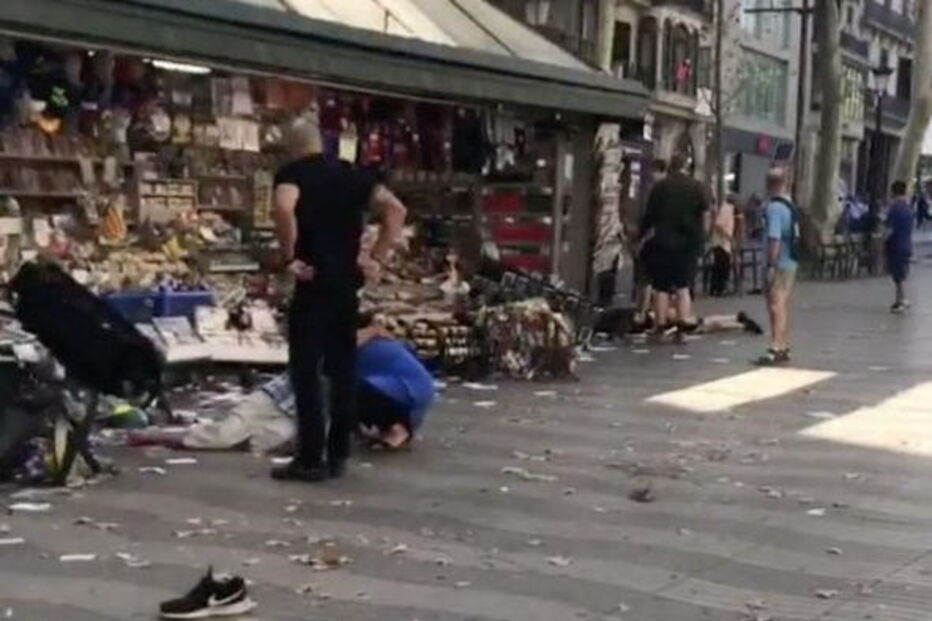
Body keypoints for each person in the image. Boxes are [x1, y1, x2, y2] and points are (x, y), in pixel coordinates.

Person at [272, 117, 406, 482]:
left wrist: (289, 256)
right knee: (342, 370)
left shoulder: (293, 173)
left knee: (306, 371)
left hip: (313, 280)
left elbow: (284, 207)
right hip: (347, 283)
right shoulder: (353, 174)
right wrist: (376, 258)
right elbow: (396, 210)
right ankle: (338, 454)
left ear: (292, 146)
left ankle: (310, 458)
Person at [179, 318, 436, 453]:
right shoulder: (375, 349)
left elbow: (336, 352)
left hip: (390, 391)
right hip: (411, 392)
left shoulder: (347, 347)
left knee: (251, 436)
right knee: (240, 435)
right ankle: (395, 430)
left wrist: (371, 331)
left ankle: (391, 430)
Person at [640, 152, 710, 336]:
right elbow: (705, 214)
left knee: (660, 286)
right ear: (686, 166)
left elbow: (648, 216)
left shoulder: (659, 187)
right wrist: (703, 238)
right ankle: (683, 320)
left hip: (662, 242)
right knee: (683, 285)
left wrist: (640, 236)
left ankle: (660, 323)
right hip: (687, 244)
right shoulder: (697, 187)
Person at [757, 168, 798, 366]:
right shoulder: (790, 205)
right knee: (781, 305)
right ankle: (782, 343)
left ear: (769, 184)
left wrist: (771, 264)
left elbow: (775, 237)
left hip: (778, 262)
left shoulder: (773, 208)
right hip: (790, 260)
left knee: (775, 305)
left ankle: (775, 346)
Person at [631, 158, 668, 334]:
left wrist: (641, 240)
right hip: (658, 240)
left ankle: (643, 312)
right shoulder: (661, 189)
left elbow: (650, 219)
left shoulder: (657, 191)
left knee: (645, 279)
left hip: (652, 241)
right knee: (646, 280)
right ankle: (645, 311)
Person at [885, 180, 914, 314]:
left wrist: (882, 239)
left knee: (898, 276)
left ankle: (900, 301)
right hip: (906, 244)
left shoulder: (895, 208)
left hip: (896, 245)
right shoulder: (908, 209)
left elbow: (889, 229)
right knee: (901, 273)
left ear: (893, 192)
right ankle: (902, 299)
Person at [708, 193, 737, 296]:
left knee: (718, 267)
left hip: (722, 243)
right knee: (722, 267)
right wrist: (729, 238)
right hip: (721, 243)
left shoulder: (728, 209)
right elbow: (718, 225)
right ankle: (720, 288)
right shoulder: (727, 209)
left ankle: (715, 288)